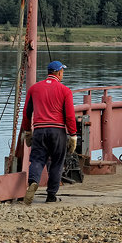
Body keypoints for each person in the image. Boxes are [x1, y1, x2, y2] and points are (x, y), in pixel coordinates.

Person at [19, 59, 77, 205]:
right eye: (62, 71)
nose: (63, 73)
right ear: (58, 72)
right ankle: (51, 195)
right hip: (57, 132)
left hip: (39, 130)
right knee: (57, 162)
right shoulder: (65, 91)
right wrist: (73, 135)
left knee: (38, 160)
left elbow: (27, 112)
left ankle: (33, 182)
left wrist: (27, 131)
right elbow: (69, 116)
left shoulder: (34, 89)